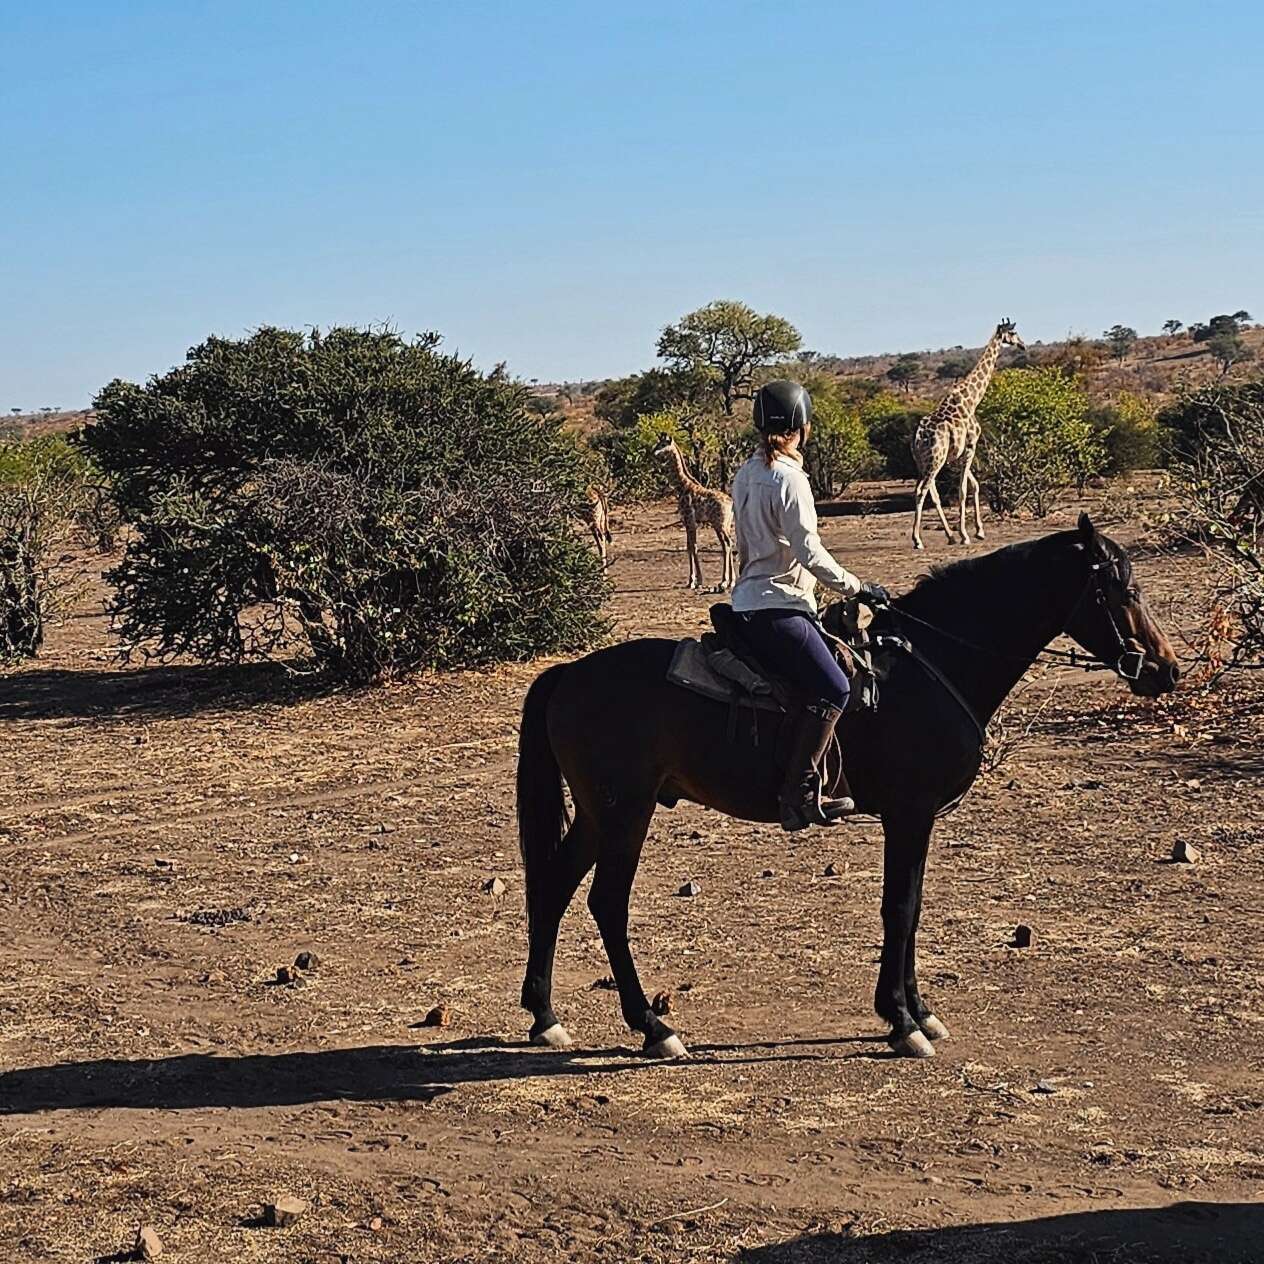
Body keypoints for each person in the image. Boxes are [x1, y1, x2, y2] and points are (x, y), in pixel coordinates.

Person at [730, 380, 889, 831]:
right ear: (803, 426)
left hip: (746, 602)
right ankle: (799, 788)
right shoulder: (790, 478)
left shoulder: (745, 473)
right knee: (836, 687)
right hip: (780, 606)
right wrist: (857, 586)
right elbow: (808, 552)